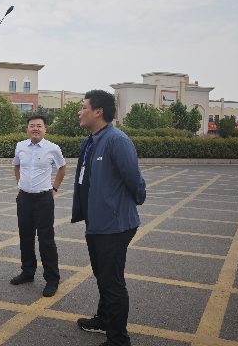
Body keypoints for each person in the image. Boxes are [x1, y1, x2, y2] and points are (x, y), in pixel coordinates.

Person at [72, 90, 146, 346]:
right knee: (102, 276)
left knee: (112, 282)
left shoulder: (117, 140)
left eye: (83, 107)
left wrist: (125, 204)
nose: (80, 112)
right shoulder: (90, 141)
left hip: (114, 225)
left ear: (98, 111)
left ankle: (118, 339)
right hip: (96, 222)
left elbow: (134, 180)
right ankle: (104, 319)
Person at [11, 114, 66, 297]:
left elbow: (62, 167)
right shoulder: (20, 146)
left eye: (39, 126)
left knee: (46, 240)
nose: (35, 128)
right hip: (24, 199)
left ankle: (52, 280)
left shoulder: (53, 148)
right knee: (25, 237)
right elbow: (16, 165)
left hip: (44, 200)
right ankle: (27, 272)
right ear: (27, 129)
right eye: (32, 125)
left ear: (45, 129)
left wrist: (54, 188)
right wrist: (20, 184)